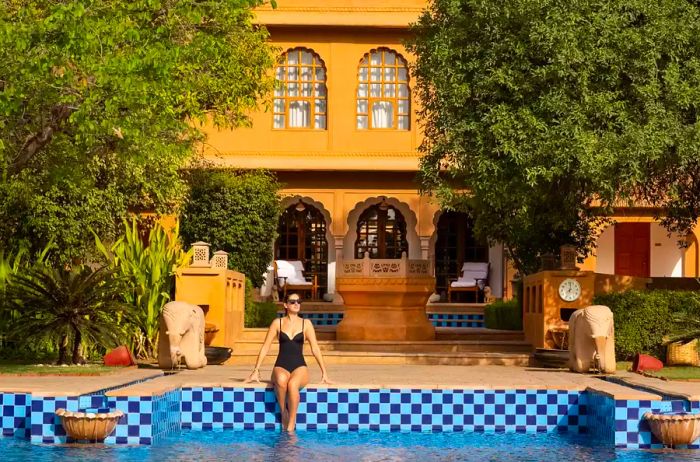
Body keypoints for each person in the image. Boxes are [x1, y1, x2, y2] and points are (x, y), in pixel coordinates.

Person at [244, 293, 331, 431]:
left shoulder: (306, 324)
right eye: (292, 301)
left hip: (299, 366)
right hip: (281, 365)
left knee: (293, 384)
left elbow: (315, 348)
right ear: (285, 305)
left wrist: (324, 373)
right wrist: (256, 370)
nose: (296, 304)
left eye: (299, 301)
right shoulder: (277, 323)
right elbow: (266, 346)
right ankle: (283, 410)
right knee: (281, 380)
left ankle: (291, 423)